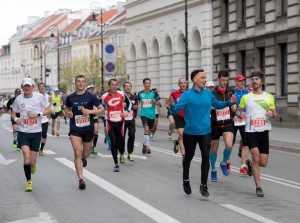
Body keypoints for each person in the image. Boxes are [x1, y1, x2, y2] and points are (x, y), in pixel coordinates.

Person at [169, 69, 236, 197]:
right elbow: (177, 110)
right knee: (189, 156)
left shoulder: (208, 94)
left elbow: (217, 105)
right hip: (191, 132)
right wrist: (172, 105)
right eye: (202, 78)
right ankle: (186, 179)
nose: (205, 80)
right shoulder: (187, 95)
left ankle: (203, 185)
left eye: (205, 78)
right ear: (195, 80)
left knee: (206, 156)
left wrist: (229, 102)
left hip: (205, 131)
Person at [236, 71, 277, 197]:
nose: (254, 81)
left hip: (264, 131)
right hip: (251, 131)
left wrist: (272, 114)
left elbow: (275, 113)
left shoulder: (269, 97)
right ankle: (258, 187)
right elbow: (238, 111)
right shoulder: (246, 97)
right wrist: (239, 114)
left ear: (262, 82)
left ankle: (249, 164)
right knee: (256, 156)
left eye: (257, 79)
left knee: (263, 162)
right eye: (252, 79)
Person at [11, 78, 51, 192]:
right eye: (25, 86)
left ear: (33, 87)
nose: (27, 88)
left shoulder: (39, 97)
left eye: (29, 86)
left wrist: (38, 114)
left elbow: (49, 110)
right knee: (26, 155)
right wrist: (16, 118)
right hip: (23, 131)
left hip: (36, 132)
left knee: (32, 161)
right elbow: (13, 113)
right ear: (22, 87)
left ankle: (32, 166)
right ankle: (29, 182)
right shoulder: (18, 99)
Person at [65, 75, 104, 190]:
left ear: (85, 83)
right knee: (77, 152)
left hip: (88, 129)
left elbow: (102, 110)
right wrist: (68, 113)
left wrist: (90, 111)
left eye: (83, 82)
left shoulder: (91, 96)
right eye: (78, 81)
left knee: (85, 154)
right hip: (75, 129)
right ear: (75, 83)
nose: (81, 83)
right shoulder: (70, 97)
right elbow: (66, 108)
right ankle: (81, 179)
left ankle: (84, 158)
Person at [209, 70, 235, 182]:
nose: (225, 82)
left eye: (226, 80)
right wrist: (216, 107)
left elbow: (234, 104)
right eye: (223, 80)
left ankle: (223, 162)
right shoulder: (212, 93)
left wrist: (234, 108)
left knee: (229, 145)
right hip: (215, 124)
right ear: (218, 79)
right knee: (214, 149)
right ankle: (213, 169)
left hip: (228, 123)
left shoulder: (230, 91)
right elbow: (209, 106)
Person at [101, 79, 131, 172]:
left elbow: (129, 103)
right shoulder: (104, 96)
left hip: (121, 121)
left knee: (120, 143)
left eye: (115, 85)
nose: (114, 86)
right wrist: (103, 111)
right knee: (113, 142)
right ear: (109, 86)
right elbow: (98, 105)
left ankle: (121, 152)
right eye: (112, 85)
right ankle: (116, 164)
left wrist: (127, 111)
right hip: (110, 122)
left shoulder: (121, 94)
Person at [137, 78, 161, 154]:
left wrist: (156, 102)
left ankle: (144, 144)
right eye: (146, 83)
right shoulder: (140, 93)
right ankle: (147, 147)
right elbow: (137, 103)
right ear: (144, 84)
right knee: (146, 129)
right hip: (143, 114)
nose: (148, 84)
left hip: (152, 115)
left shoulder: (154, 93)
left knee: (150, 130)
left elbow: (160, 104)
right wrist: (136, 106)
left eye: (149, 83)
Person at [232, 74, 249, 175]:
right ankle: (227, 161)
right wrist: (233, 107)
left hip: (244, 120)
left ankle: (243, 166)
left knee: (246, 142)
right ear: (236, 82)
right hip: (234, 119)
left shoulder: (247, 92)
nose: (242, 82)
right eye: (240, 81)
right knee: (230, 143)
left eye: (243, 81)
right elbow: (230, 103)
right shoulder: (232, 91)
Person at [121, 81, 139, 161]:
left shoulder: (134, 97)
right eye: (126, 86)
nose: (128, 88)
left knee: (132, 135)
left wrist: (136, 108)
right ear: (123, 88)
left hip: (131, 119)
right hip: (123, 120)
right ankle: (121, 154)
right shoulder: (121, 97)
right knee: (122, 137)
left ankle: (130, 153)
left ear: (131, 88)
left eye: (129, 86)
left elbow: (136, 106)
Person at [170, 78, 188, 156]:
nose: (183, 84)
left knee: (185, 136)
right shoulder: (174, 93)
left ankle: (177, 142)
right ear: (178, 84)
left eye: (184, 83)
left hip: (188, 116)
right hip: (179, 116)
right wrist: (172, 106)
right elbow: (169, 103)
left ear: (186, 84)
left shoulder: (190, 92)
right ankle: (183, 154)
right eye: (181, 83)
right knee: (181, 134)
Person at [86, 84, 100, 155]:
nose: (91, 90)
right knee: (89, 132)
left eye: (92, 89)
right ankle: (88, 145)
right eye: (89, 89)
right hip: (87, 116)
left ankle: (94, 147)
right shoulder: (85, 97)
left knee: (96, 130)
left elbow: (100, 106)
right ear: (87, 89)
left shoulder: (96, 97)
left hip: (94, 115)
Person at [38, 83, 51, 156]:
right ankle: (37, 146)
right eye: (40, 87)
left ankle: (42, 148)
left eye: (43, 86)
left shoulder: (48, 96)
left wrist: (49, 114)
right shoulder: (36, 96)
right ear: (38, 88)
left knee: (44, 134)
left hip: (45, 118)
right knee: (37, 134)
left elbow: (50, 106)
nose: (41, 88)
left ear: (45, 88)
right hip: (37, 117)